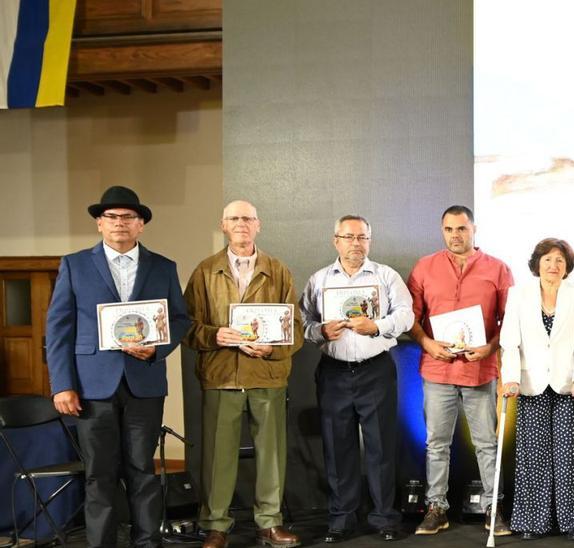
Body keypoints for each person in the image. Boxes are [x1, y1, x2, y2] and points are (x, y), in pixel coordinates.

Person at [46, 186, 192, 548]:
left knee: (143, 471)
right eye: (112, 217)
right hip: (92, 387)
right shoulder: (74, 264)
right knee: (99, 475)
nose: (120, 223)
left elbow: (180, 319)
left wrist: (156, 348)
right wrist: (62, 384)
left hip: (144, 384)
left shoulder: (163, 266)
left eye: (129, 217)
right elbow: (59, 328)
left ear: (141, 225)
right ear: (99, 223)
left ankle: (147, 542)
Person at [183, 200, 303, 548]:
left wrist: (272, 348)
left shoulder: (278, 270)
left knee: (272, 454)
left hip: (267, 375)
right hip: (221, 376)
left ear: (258, 225)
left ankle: (269, 523)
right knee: (218, 455)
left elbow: (294, 325)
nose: (241, 224)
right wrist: (214, 335)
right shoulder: (205, 271)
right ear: (223, 224)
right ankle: (216, 525)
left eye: (247, 218)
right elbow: (185, 326)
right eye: (234, 218)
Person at [300, 215, 415, 542]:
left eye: (362, 238)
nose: (356, 244)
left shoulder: (386, 276)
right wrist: (320, 330)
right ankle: (341, 519)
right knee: (338, 448)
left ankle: (384, 518)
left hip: (375, 368)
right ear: (335, 240)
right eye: (348, 237)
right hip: (334, 372)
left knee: (380, 446)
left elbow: (407, 315)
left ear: (370, 241)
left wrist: (376, 327)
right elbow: (303, 322)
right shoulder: (318, 280)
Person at [406, 205, 515, 536]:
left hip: (480, 371)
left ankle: (492, 508)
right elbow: (409, 316)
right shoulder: (424, 267)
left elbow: (510, 321)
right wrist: (427, 344)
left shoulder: (497, 269)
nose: (456, 235)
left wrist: (489, 348)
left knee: (486, 444)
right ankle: (436, 508)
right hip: (437, 371)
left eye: (462, 229)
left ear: (474, 229)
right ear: (443, 231)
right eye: (450, 229)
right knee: (436, 443)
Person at [499, 238, 574, 540]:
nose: (553, 266)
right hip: (531, 383)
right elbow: (509, 340)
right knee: (533, 455)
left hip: (570, 384)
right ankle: (532, 521)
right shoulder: (519, 294)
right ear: (537, 264)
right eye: (547, 260)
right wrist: (510, 377)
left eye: (559, 260)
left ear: (567, 266)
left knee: (570, 454)